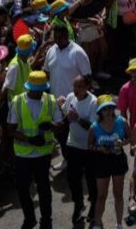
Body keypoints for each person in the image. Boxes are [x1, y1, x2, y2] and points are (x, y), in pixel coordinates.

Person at [8, 70, 62, 229]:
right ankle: (29, 218)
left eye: (41, 90)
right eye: (36, 90)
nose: (39, 93)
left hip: (43, 153)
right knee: (23, 188)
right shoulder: (17, 102)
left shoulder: (51, 101)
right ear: (29, 88)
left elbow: (60, 126)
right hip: (23, 154)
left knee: (44, 188)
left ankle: (46, 219)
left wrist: (51, 125)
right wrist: (29, 139)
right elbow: (10, 130)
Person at [62, 74, 98, 224]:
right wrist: (61, 105)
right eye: (75, 86)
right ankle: (78, 203)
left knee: (91, 179)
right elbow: (65, 114)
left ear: (88, 87)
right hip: (73, 144)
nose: (76, 89)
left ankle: (94, 205)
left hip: (88, 147)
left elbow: (94, 128)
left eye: (80, 86)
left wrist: (77, 118)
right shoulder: (71, 97)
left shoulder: (93, 102)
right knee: (72, 177)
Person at [89, 95, 129, 229]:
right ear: (99, 111)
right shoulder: (94, 127)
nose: (108, 111)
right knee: (101, 195)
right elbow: (89, 146)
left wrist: (122, 143)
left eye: (110, 107)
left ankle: (119, 223)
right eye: (104, 108)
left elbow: (130, 137)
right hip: (101, 162)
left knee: (118, 194)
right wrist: (99, 149)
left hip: (118, 159)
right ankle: (97, 223)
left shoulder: (122, 121)